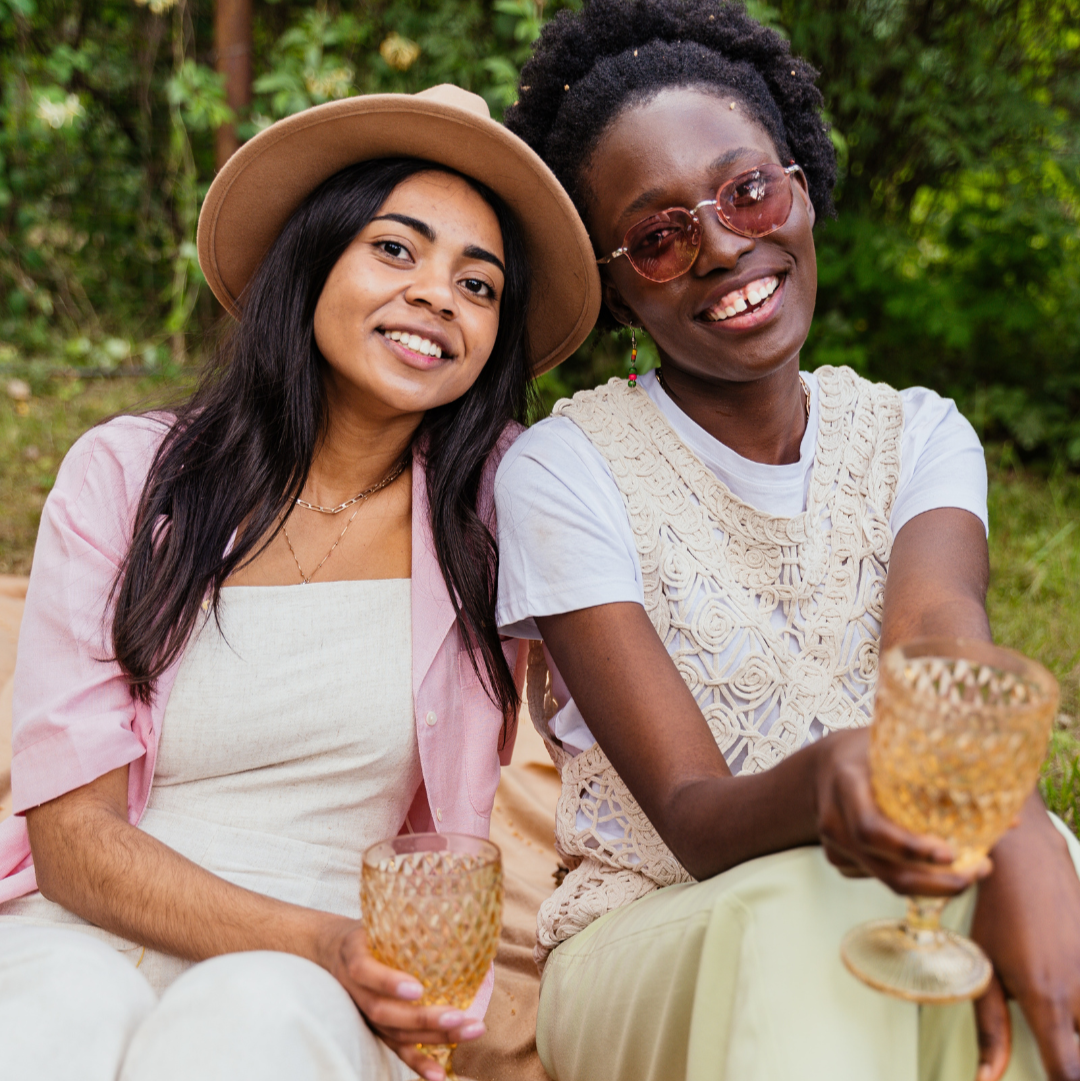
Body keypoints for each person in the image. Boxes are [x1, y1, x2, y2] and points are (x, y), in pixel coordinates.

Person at [495, 3, 1080, 1080]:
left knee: (1039, 883)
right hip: (658, 934)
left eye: (748, 189)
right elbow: (694, 816)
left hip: (898, 884)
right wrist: (830, 780)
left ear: (801, 183)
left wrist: (1027, 827)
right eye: (660, 237)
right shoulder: (565, 470)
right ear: (616, 283)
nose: (723, 244)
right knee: (808, 901)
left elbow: (941, 653)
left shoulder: (916, 434)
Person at [0, 84, 599, 1081]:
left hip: (327, 983)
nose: (438, 295)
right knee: (58, 1011)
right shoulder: (125, 478)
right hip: (83, 929)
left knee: (249, 1016)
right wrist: (310, 939)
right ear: (314, 257)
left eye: (480, 284)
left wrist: (324, 951)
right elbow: (73, 839)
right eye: (396, 249)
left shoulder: (502, 509)